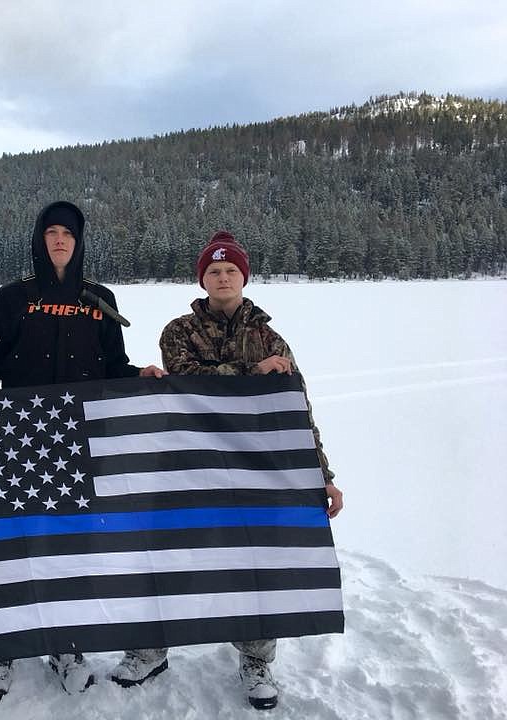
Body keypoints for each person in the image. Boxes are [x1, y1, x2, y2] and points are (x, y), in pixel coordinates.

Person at [117, 230, 343, 710]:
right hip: (188, 466)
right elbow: (185, 379)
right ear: (203, 279)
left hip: (253, 470)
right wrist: (252, 375)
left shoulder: (270, 337)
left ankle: (256, 659)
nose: (222, 277)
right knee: (168, 553)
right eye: (214, 271)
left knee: (255, 562)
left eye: (231, 270)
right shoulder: (178, 330)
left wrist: (320, 472)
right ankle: (150, 647)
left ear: (243, 277)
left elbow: (295, 408)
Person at [0, 200, 166, 703]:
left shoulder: (97, 298)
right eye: (51, 232)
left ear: (79, 243)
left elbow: (112, 363)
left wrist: (137, 374)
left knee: (66, 546)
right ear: (40, 240)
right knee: (13, 540)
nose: (59, 240)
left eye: (68, 234)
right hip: (19, 437)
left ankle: (65, 644)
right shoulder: (14, 296)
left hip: (76, 442)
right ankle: (3, 646)